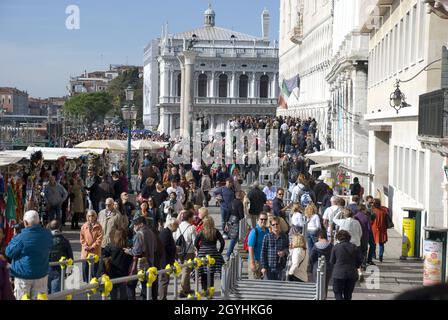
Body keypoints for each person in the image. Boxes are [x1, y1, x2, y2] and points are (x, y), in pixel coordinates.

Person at [5, 210, 53, 300]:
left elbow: (9, 252)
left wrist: (15, 236)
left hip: (23, 276)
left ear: (25, 222)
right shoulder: (47, 234)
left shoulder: (21, 237)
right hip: (41, 275)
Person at [125, 216, 158, 300]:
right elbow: (155, 248)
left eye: (136, 224)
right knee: (145, 285)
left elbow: (137, 251)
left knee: (130, 285)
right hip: (150, 262)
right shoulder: (151, 233)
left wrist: (128, 251)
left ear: (141, 224)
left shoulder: (139, 235)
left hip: (139, 263)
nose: (134, 226)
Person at [99, 229, 133, 300]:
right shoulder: (128, 247)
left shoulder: (111, 246)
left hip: (112, 273)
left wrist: (103, 272)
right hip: (124, 274)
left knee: (113, 294)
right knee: (123, 294)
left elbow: (102, 257)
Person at [194, 217, 225, 293]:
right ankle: (210, 289)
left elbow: (195, 242)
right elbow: (222, 242)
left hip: (202, 252)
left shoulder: (201, 232)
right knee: (211, 272)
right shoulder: (215, 231)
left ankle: (204, 290)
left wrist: (199, 250)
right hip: (213, 252)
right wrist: (219, 252)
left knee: (203, 272)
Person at [330, 230, 363, 300]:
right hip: (351, 274)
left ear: (338, 238)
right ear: (349, 238)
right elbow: (360, 260)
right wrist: (356, 266)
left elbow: (332, 261)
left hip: (338, 274)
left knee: (337, 292)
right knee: (348, 294)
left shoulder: (336, 247)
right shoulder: (354, 247)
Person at [173, 210, 197, 298]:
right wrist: (196, 251)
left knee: (184, 270)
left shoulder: (178, 226)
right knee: (186, 271)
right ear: (189, 218)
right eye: (193, 217)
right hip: (189, 252)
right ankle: (181, 290)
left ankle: (187, 289)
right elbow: (195, 241)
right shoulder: (192, 228)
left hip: (179, 251)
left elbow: (174, 238)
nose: (194, 218)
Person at [47, 220, 73, 294]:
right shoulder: (64, 240)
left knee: (47, 293)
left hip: (46, 270)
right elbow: (70, 257)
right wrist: (69, 272)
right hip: (59, 270)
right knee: (56, 293)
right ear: (59, 227)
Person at [260, 216, 289, 281]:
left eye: (277, 224)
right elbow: (263, 252)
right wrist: (263, 267)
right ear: (271, 226)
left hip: (280, 267)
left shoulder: (284, 236)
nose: (275, 226)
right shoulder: (267, 237)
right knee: (269, 288)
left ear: (279, 225)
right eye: (273, 224)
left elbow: (288, 249)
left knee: (279, 288)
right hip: (269, 267)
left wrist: (284, 252)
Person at [307, 230, 333, 299]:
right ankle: (324, 297)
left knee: (317, 284)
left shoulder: (316, 246)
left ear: (320, 236)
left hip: (317, 267)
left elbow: (311, 257)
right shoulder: (331, 245)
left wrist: (311, 266)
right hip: (328, 267)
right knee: (325, 285)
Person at [158, 217, 179, 300]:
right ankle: (162, 298)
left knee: (165, 281)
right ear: (172, 225)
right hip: (164, 261)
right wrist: (175, 248)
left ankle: (163, 297)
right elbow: (164, 247)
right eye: (176, 225)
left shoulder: (167, 232)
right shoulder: (166, 233)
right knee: (164, 280)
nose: (177, 227)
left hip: (166, 261)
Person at [80, 210, 103, 282]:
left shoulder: (99, 226)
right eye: (89, 216)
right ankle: (86, 283)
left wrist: (93, 246)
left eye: (92, 215)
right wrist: (85, 245)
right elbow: (81, 238)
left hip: (94, 250)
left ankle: (93, 283)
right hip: (86, 250)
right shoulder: (84, 226)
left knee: (94, 270)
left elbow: (99, 238)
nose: (91, 217)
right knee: (85, 268)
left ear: (95, 216)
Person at [248, 212, 270, 279]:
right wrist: (252, 263)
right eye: (262, 219)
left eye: (265, 219)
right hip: (256, 261)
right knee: (254, 283)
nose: (263, 221)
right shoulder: (254, 231)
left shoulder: (267, 230)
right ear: (258, 220)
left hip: (264, 261)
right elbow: (250, 247)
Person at [225, 191, 245, 260]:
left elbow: (228, 212)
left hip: (231, 220)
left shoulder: (231, 202)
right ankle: (228, 254)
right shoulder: (240, 203)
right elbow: (241, 215)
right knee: (234, 239)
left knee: (234, 238)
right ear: (240, 196)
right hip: (236, 222)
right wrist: (244, 221)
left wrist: (226, 222)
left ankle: (231, 252)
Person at [354, 204, 371, 270]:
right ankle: (363, 265)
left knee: (358, 251)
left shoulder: (355, 217)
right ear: (363, 209)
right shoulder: (366, 217)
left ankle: (357, 264)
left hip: (357, 236)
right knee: (364, 251)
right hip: (364, 236)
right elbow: (369, 228)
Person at [371, 198, 389, 262]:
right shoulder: (384, 211)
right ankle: (380, 256)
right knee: (381, 244)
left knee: (373, 243)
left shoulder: (373, 211)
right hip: (382, 228)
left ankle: (373, 255)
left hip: (374, 228)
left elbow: (371, 221)